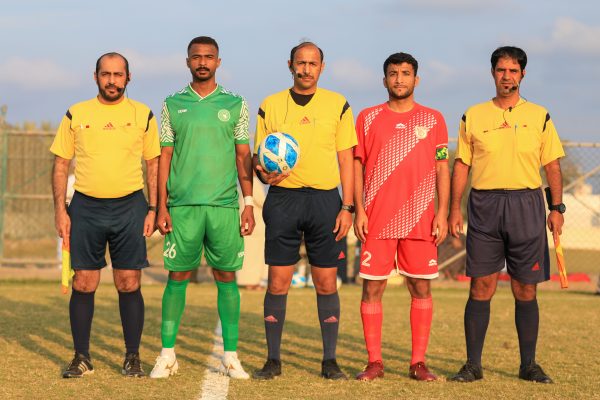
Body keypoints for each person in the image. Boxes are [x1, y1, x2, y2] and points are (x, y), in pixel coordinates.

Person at [448, 46, 565, 384]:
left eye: (513, 71)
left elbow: (552, 165)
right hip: (484, 206)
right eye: (501, 70)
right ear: (492, 73)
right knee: (481, 285)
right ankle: (473, 365)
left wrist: (556, 209)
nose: (507, 76)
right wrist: (454, 208)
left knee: (525, 288)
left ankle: (528, 365)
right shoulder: (474, 115)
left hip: (526, 205)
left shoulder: (540, 115)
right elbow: (462, 165)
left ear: (522, 75)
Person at [149, 36, 255, 380]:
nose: (203, 62)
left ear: (218, 62)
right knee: (177, 276)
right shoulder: (172, 104)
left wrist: (248, 203)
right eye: (197, 57)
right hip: (182, 207)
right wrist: (161, 206)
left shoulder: (236, 104)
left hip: (224, 206)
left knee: (227, 276)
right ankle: (167, 355)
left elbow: (243, 156)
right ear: (188, 62)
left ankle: (230, 356)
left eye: (209, 57)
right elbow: (164, 156)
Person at [51, 52, 160, 378]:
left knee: (129, 282)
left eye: (118, 74)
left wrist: (153, 208)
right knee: (83, 282)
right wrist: (60, 210)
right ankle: (81, 357)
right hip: (86, 207)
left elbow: (153, 165)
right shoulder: (76, 113)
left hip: (130, 207)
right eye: (106, 74)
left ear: (128, 77)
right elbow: (61, 164)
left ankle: (132, 357)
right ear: (95, 76)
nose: (112, 80)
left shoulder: (142, 114)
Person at [252, 41, 356, 380]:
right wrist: (263, 174)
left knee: (326, 282)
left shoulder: (338, 104)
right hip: (283, 199)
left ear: (322, 67)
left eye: (312, 63)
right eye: (301, 63)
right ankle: (273, 360)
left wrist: (348, 206)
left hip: (325, 201)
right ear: (290, 65)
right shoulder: (271, 104)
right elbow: (258, 157)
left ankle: (330, 361)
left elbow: (346, 159)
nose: (306, 69)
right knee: (278, 281)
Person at [353, 52, 450, 381]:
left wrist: (443, 213)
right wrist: (358, 209)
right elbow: (357, 166)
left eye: (406, 73)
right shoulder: (367, 117)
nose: (399, 79)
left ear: (416, 79)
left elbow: (442, 168)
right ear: (384, 80)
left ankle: (418, 363)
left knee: (421, 288)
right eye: (393, 73)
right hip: (376, 218)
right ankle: (374, 362)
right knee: (372, 289)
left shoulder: (434, 119)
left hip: (420, 218)